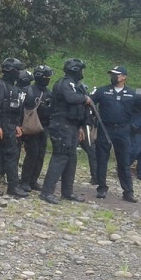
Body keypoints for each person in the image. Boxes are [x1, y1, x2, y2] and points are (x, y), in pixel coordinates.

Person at [90, 65, 141, 202]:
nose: (113, 76)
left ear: (124, 77)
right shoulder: (102, 91)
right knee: (102, 159)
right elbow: (89, 103)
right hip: (105, 128)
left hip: (123, 130)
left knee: (124, 161)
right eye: (112, 74)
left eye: (116, 74)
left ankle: (128, 192)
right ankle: (101, 187)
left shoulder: (132, 94)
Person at [39, 59, 90, 204]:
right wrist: (85, 98)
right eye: (81, 70)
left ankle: (67, 192)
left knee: (71, 159)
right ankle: (46, 192)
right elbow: (70, 98)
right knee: (60, 157)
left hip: (72, 126)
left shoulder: (76, 85)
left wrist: (80, 127)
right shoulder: (65, 83)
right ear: (75, 70)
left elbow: (77, 109)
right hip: (62, 126)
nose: (82, 73)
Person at [0, 58, 28, 197]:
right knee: (11, 155)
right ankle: (13, 187)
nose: (19, 73)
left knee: (1, 155)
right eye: (17, 70)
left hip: (11, 126)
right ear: (10, 71)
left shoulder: (13, 88)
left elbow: (16, 110)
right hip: (2, 126)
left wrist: (18, 126)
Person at [19, 65, 54, 192]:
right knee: (32, 153)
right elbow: (20, 109)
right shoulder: (27, 90)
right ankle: (25, 181)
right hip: (30, 127)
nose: (48, 79)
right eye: (46, 77)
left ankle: (33, 180)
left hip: (44, 127)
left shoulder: (49, 92)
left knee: (40, 154)